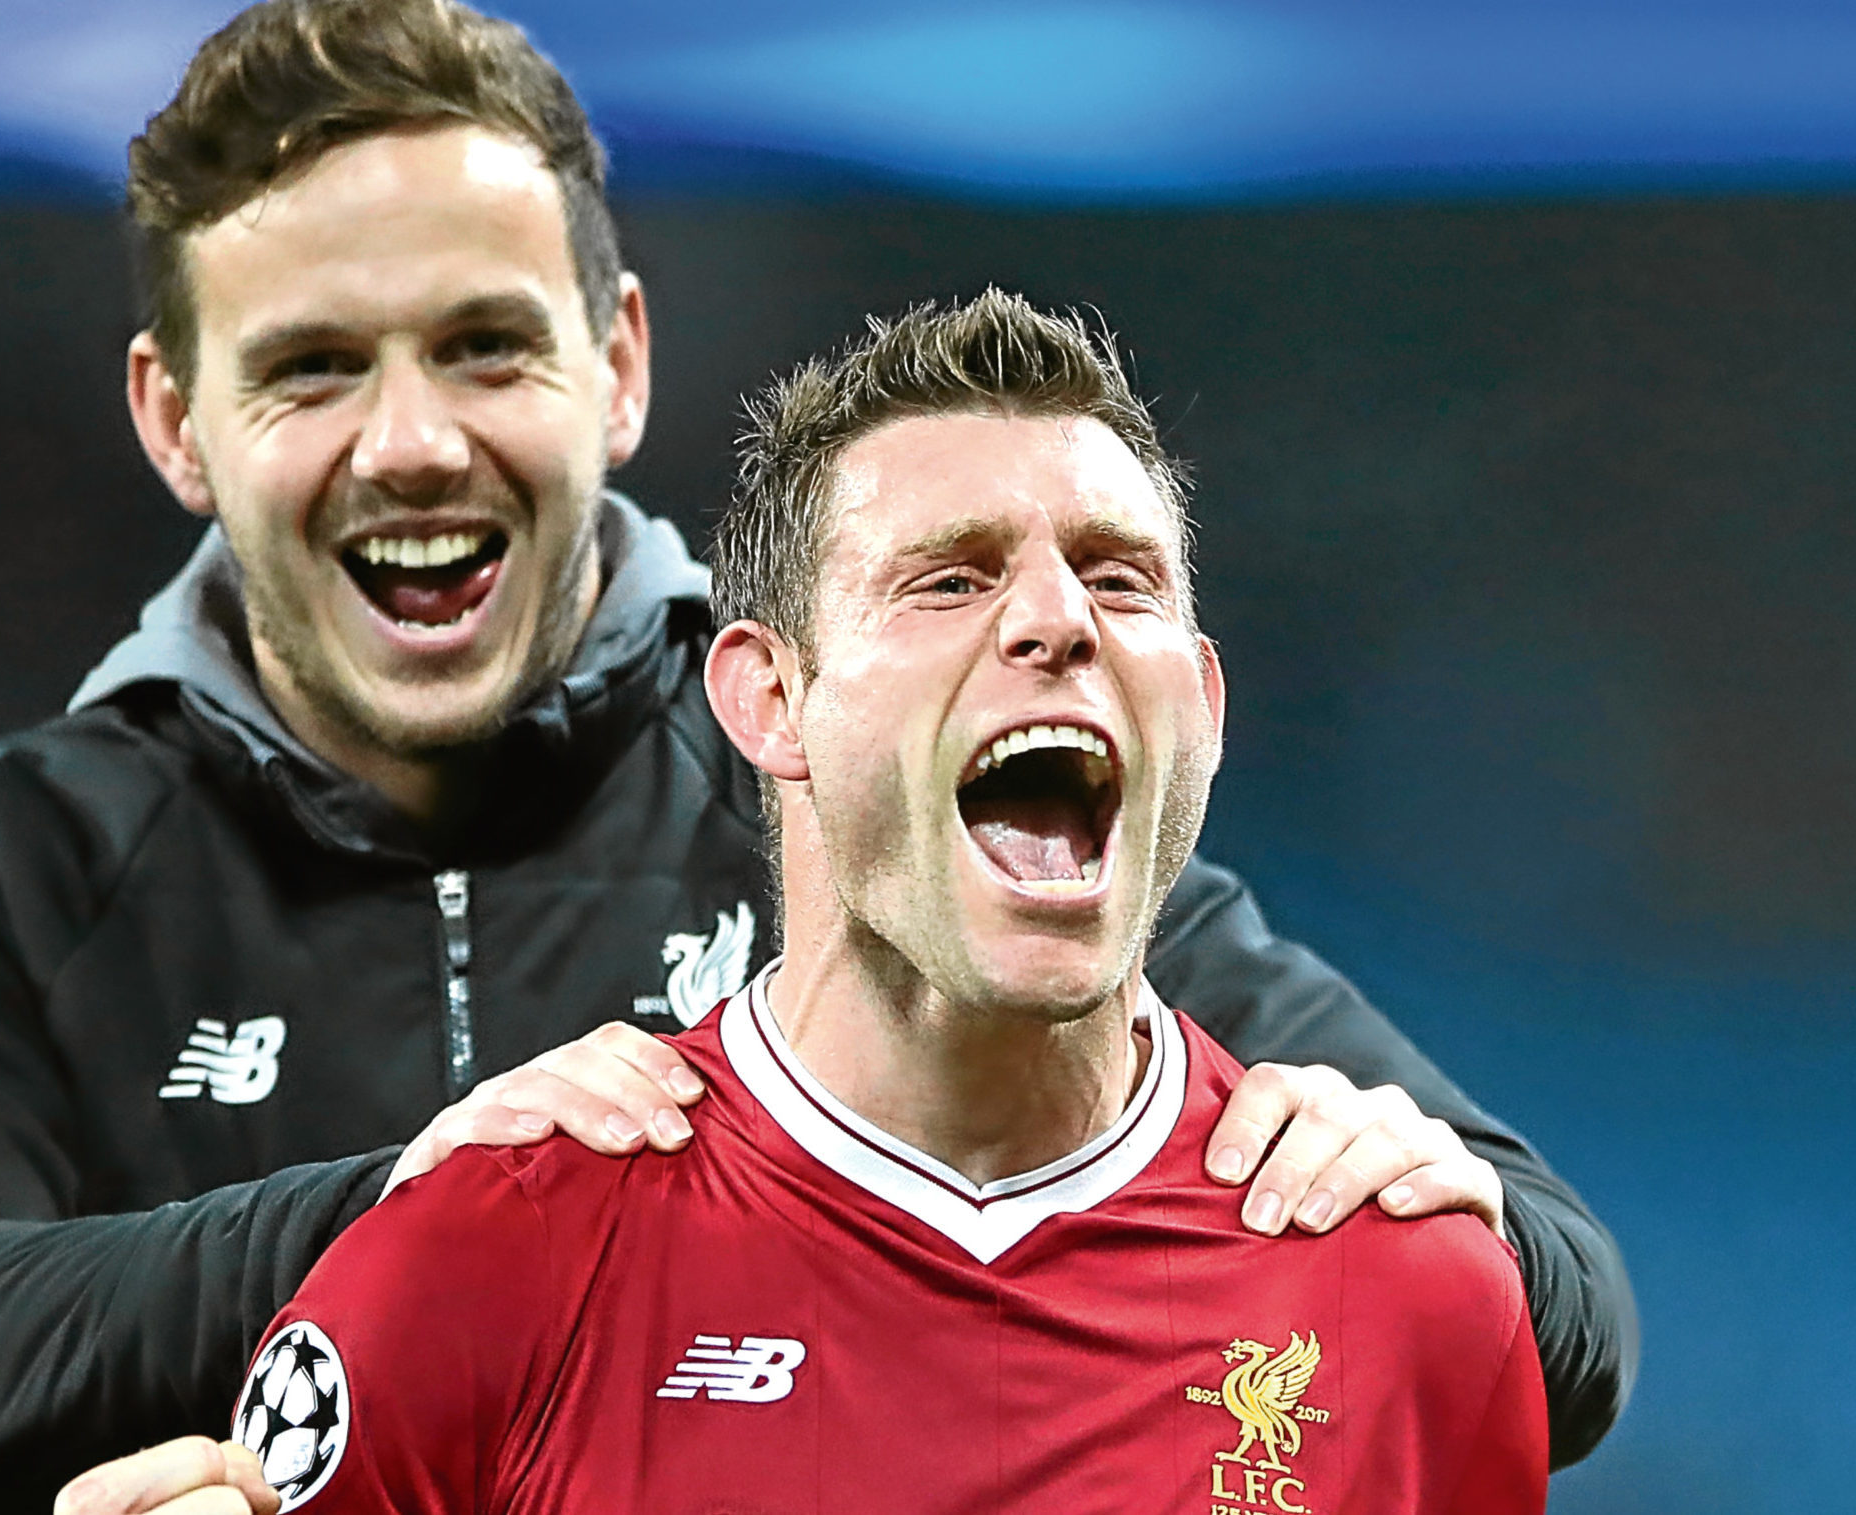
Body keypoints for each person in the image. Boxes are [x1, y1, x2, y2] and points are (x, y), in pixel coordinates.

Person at [0, 2, 1631, 1512]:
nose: (411, 443)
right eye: (310, 369)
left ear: (616, 365)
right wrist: (429, 1219)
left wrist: (1426, 1211)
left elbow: (1549, 1314)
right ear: (175, 421)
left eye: (484, 349)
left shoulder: (891, 794)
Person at [234, 288, 1548, 1515]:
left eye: (1121, 577)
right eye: (952, 578)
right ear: (771, 700)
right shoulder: (490, 1261)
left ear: (1201, 708)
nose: (1056, 619)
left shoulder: (1406, 1295)